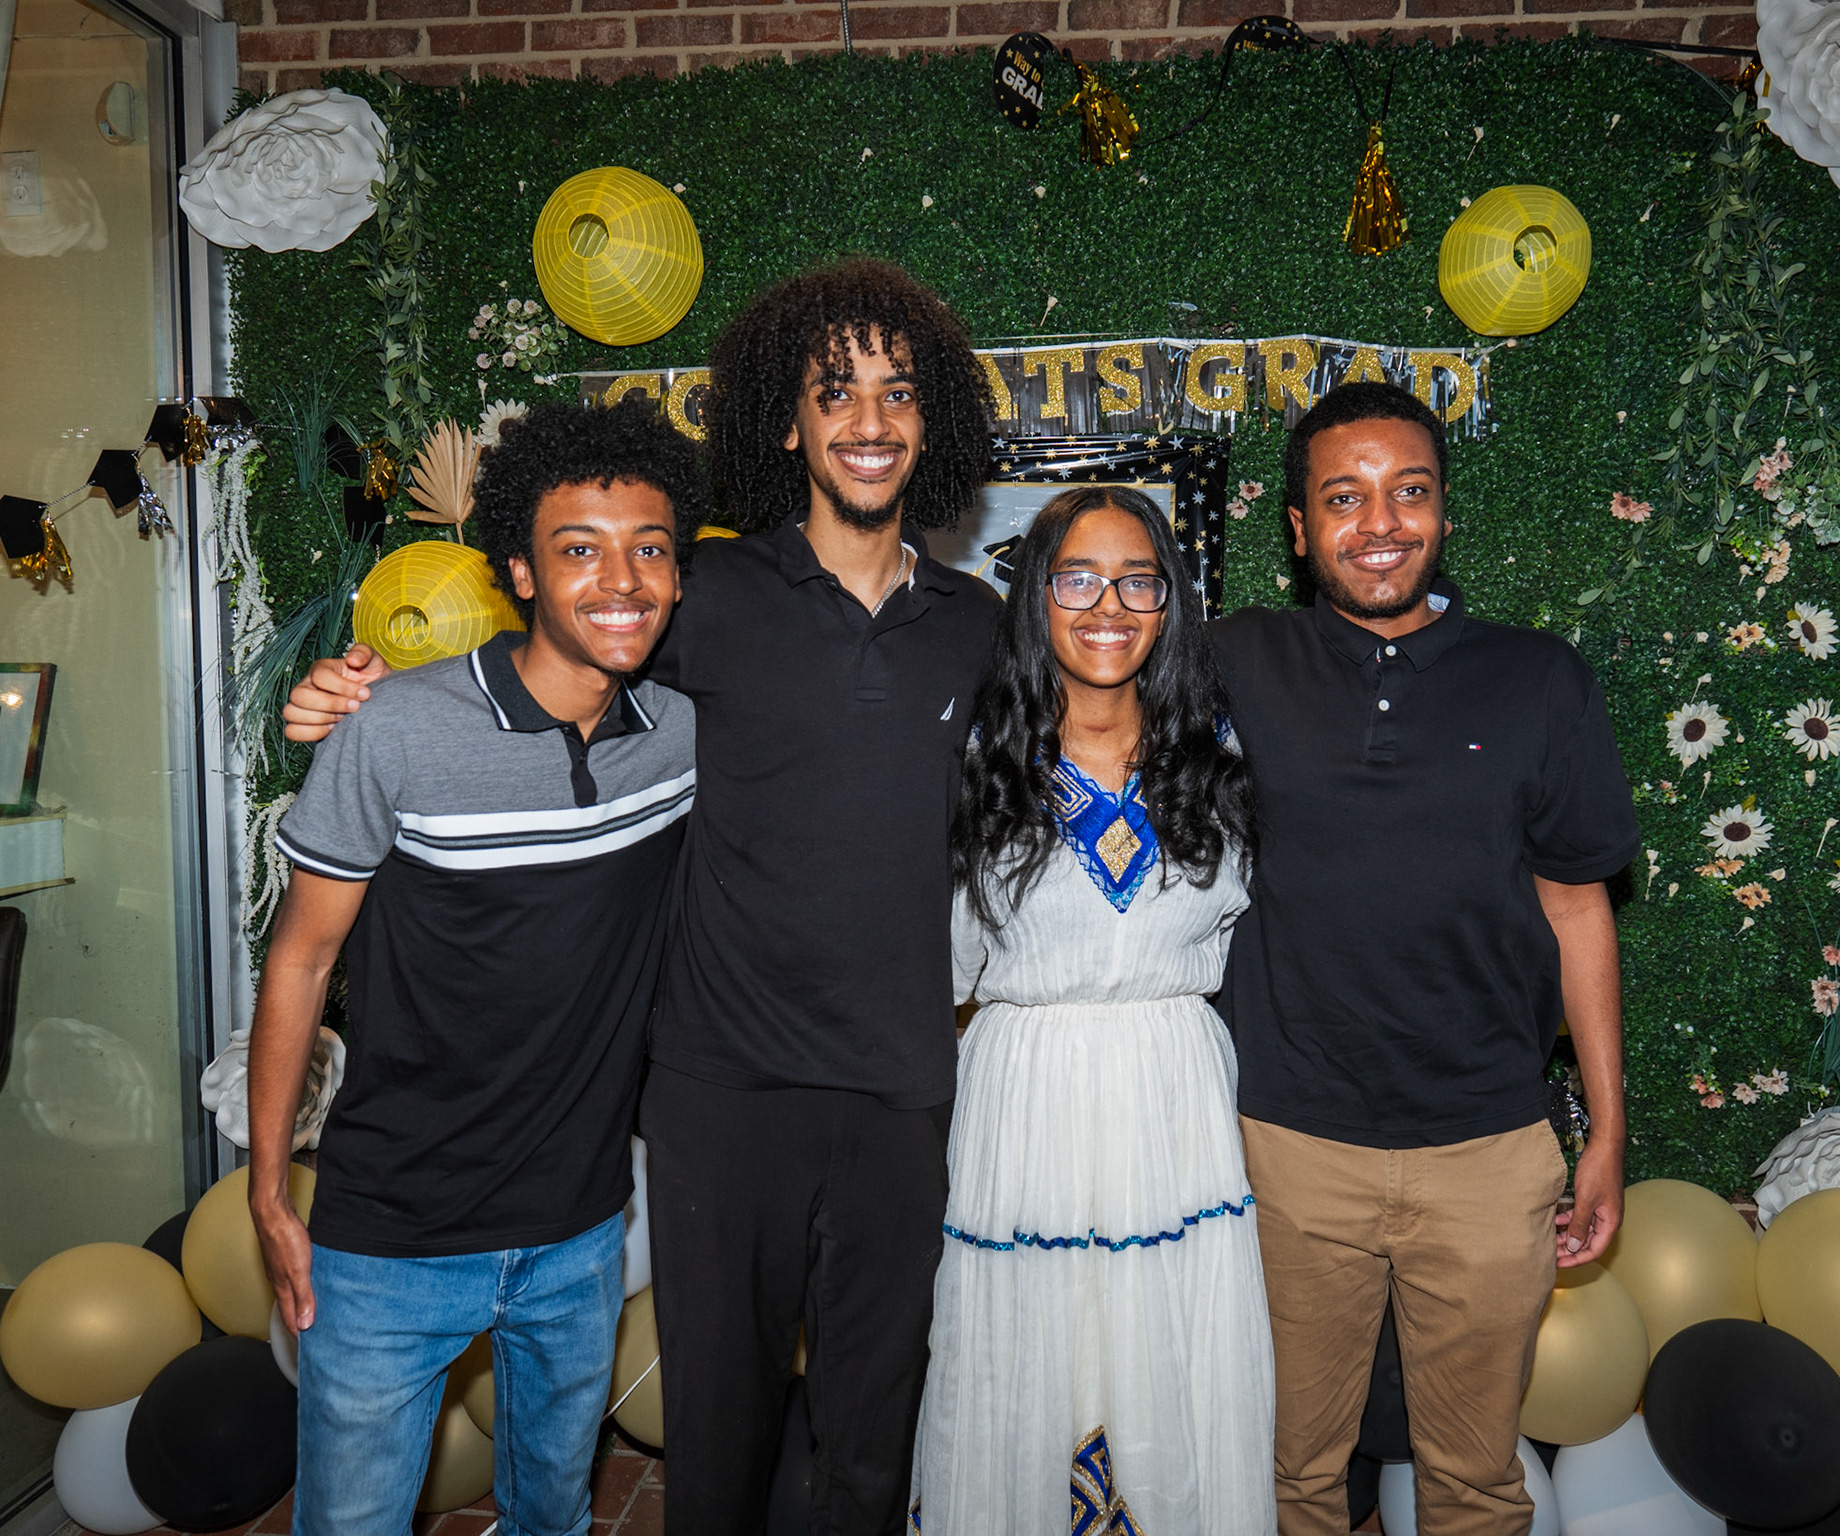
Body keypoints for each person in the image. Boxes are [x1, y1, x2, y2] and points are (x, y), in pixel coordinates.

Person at [281, 257, 1002, 1535]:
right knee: (720, 1435)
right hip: (722, 1091)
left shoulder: (976, 623)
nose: (870, 419)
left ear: (931, 420)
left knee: (874, 1428)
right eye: (835, 391)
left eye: (898, 392)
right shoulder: (705, 592)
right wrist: (361, 698)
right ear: (787, 425)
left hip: (902, 1085)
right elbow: (561, 640)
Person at [249, 397, 702, 1535]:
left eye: (650, 549)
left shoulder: (685, 737)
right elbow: (300, 959)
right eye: (580, 550)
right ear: (521, 572)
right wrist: (266, 1188)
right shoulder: (395, 728)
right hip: (391, 1236)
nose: (622, 580)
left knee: (552, 1519)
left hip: (581, 1228)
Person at [1212, 380, 1638, 1536]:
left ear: (1444, 510)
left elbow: (1579, 911)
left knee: (1475, 1484)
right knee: (1289, 1477)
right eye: (1343, 498)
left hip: (1488, 1150)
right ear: (1299, 528)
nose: (1380, 524)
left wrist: (1606, 1131)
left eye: (1408, 491)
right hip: (1287, 1145)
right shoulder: (1235, 663)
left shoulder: (1538, 679)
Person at [913, 487, 1275, 1534]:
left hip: (1175, 1098)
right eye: (1078, 579)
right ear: (1036, 596)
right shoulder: (979, 760)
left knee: (1174, 1348)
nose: (1107, 605)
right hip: (1024, 1097)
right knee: (1024, 1359)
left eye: (1137, 581)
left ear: (1170, 603)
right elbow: (939, 967)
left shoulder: (1223, 760)